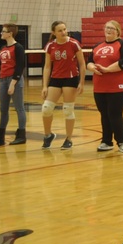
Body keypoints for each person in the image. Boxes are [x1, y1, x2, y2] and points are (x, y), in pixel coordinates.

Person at [87, 20, 123, 153]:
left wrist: (107, 69)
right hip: (100, 86)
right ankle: (106, 141)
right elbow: (90, 61)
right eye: (107, 27)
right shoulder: (97, 46)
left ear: (118, 31)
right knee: (104, 114)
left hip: (119, 85)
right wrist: (92, 68)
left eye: (112, 28)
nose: (109, 30)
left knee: (115, 113)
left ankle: (122, 142)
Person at [41, 21, 85, 150]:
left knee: (67, 110)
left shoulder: (74, 44)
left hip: (70, 78)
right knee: (46, 108)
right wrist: (44, 86)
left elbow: (82, 64)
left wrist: (81, 82)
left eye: (64, 29)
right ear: (54, 33)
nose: (63, 32)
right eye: (60, 30)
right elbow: (47, 67)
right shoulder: (50, 46)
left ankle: (68, 139)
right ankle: (48, 135)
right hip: (55, 79)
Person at [0, 24, 27, 147]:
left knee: (19, 108)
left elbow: (20, 66)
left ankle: (21, 135)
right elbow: (1, 67)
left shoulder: (18, 47)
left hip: (14, 80)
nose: (1, 33)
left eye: (3, 31)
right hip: (3, 80)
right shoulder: (3, 48)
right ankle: (0, 137)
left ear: (10, 33)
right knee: (3, 109)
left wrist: (13, 84)